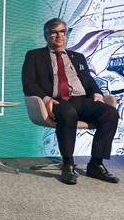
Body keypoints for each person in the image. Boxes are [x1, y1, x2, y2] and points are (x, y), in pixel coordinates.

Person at [22, 17, 120, 185]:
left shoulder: (78, 56)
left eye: (62, 32)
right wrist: (46, 98)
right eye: (53, 33)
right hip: (58, 101)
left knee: (110, 113)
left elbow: (89, 81)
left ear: (66, 34)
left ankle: (96, 164)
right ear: (46, 36)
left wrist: (97, 92)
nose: (58, 36)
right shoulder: (35, 55)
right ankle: (68, 163)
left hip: (83, 99)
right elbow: (28, 83)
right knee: (68, 112)